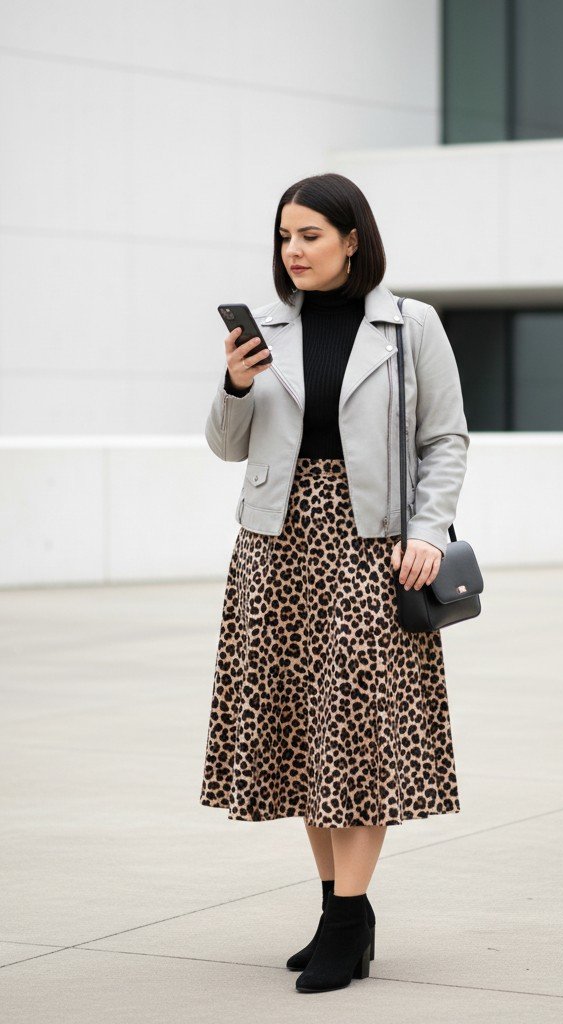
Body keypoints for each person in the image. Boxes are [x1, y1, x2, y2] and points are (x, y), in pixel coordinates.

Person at [199, 172, 470, 994]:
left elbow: (445, 439)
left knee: (356, 737)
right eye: (284, 236)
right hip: (277, 549)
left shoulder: (410, 325)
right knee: (305, 740)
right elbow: (227, 446)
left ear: (352, 239)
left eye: (309, 235)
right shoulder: (268, 327)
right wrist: (234, 384)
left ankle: (346, 920)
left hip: (373, 547)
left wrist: (427, 530)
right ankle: (338, 913)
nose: (293, 250)